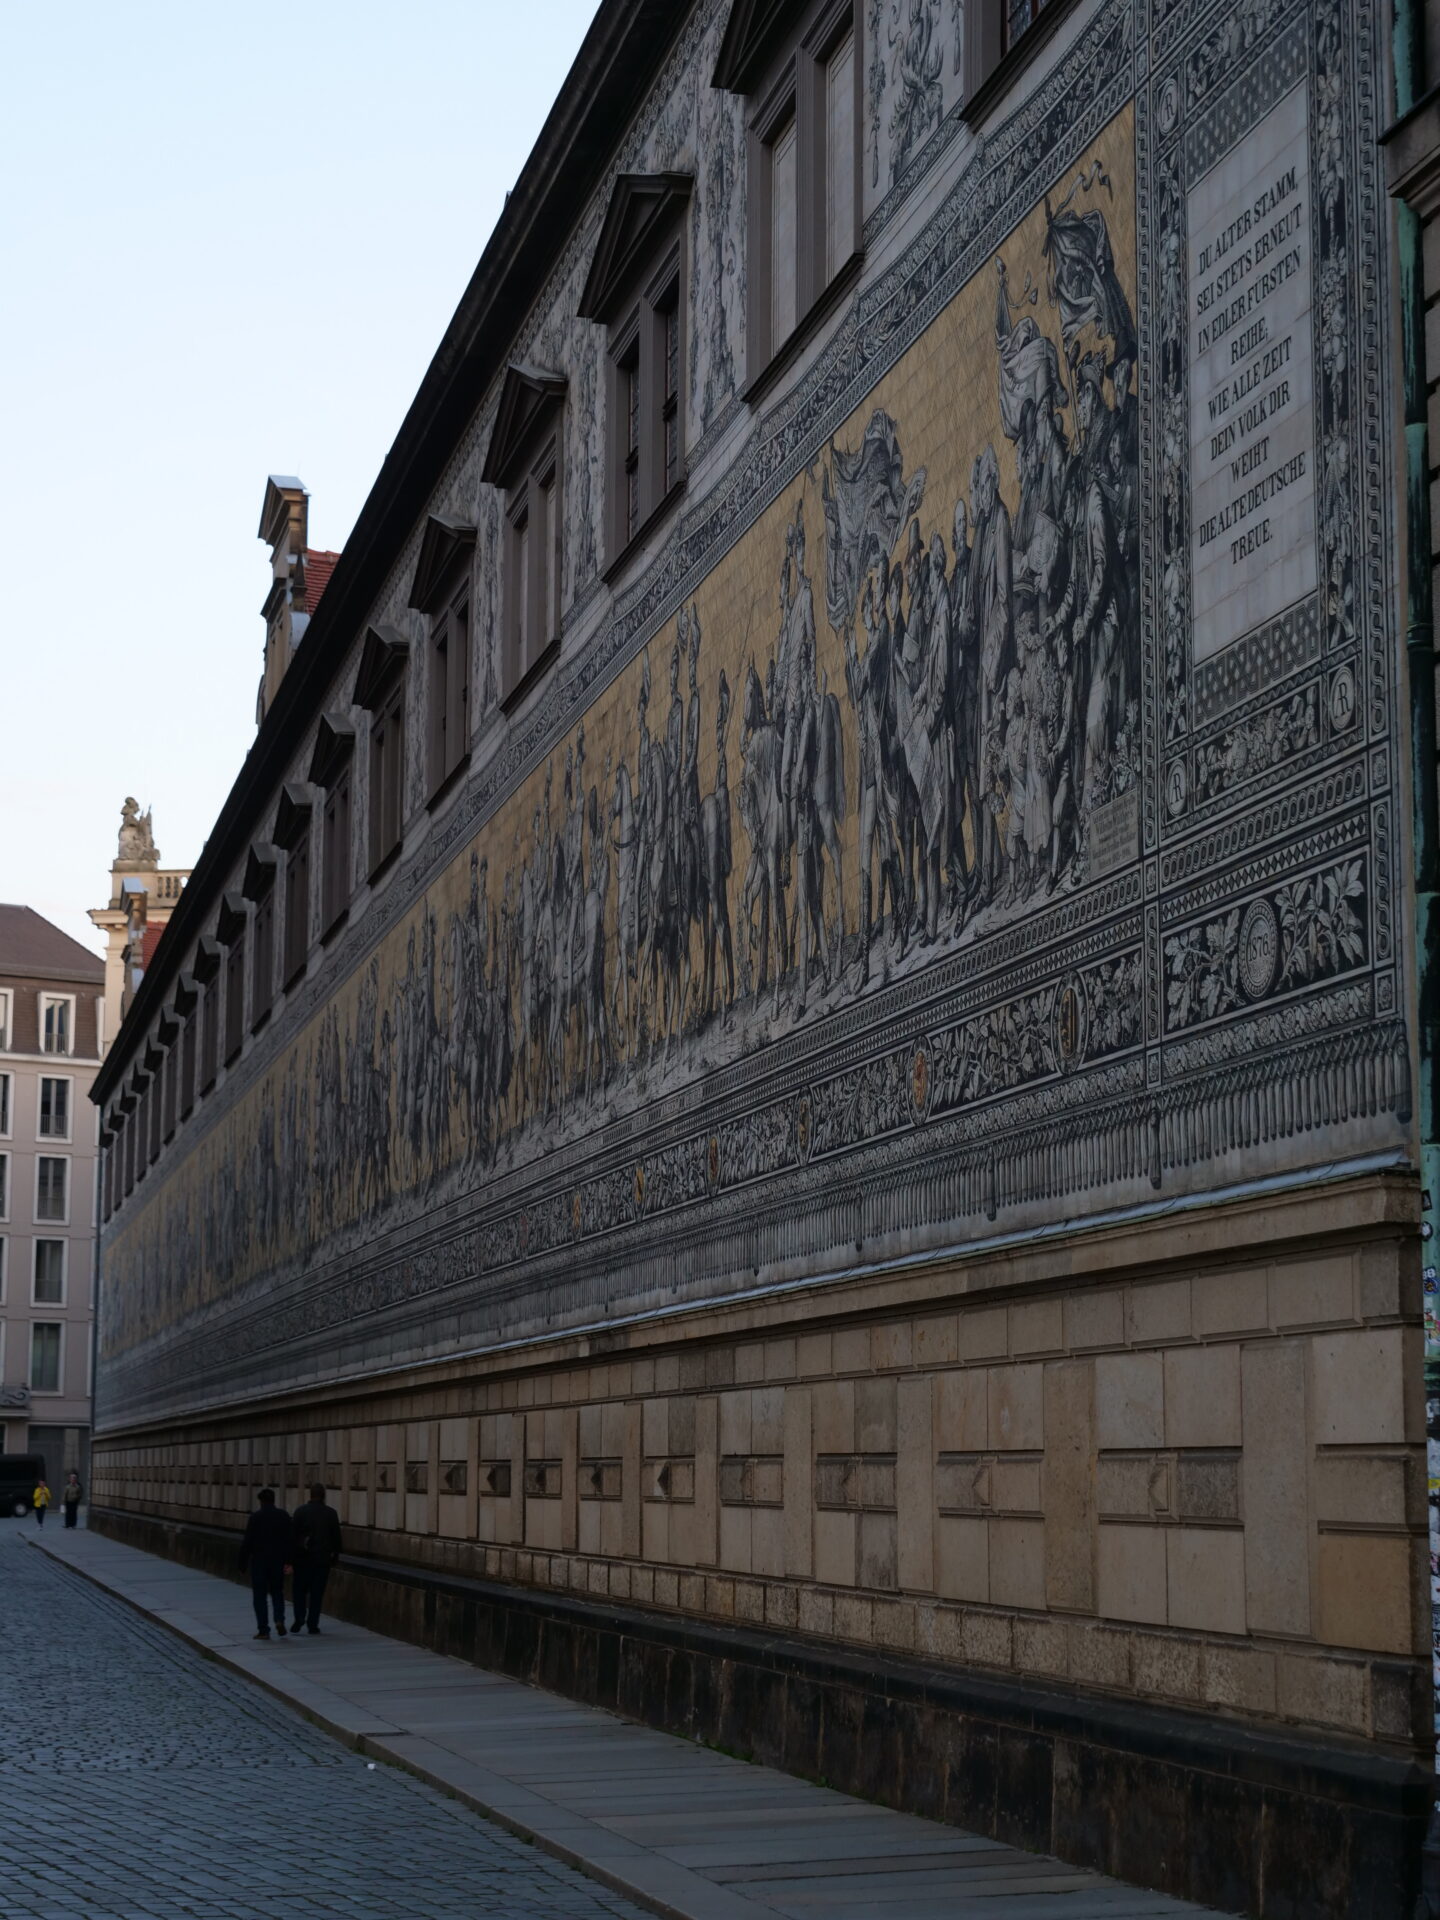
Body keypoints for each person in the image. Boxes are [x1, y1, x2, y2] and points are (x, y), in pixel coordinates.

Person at [238, 1487, 292, 1641]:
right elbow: (290, 1540)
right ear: (273, 1500)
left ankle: (263, 1630)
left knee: (259, 1596)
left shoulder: (255, 1517)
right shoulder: (283, 1516)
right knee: (277, 1592)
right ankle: (279, 1618)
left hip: (260, 1562)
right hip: (277, 1561)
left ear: (261, 1501)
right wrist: (289, 1561)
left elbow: (247, 1542)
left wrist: (242, 1563)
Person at [290, 1482, 343, 1635]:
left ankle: (299, 1616)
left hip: (302, 1559)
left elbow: (292, 1537)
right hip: (322, 1559)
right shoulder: (331, 1513)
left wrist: (290, 1559)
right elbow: (336, 1537)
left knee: (299, 1591)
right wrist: (335, 1555)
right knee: (317, 1593)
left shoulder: (300, 1512)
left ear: (310, 1494)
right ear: (323, 1496)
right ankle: (313, 1624)